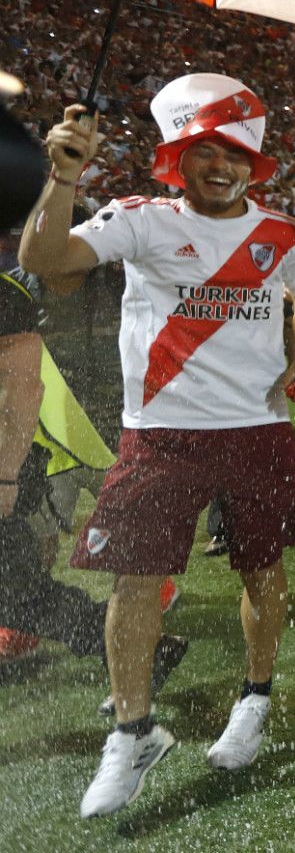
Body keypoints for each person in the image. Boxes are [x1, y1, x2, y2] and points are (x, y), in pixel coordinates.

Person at [21, 77, 295, 816]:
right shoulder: (140, 220)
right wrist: (62, 175)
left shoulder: (284, 233)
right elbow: (49, 262)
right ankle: (132, 732)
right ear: (176, 159)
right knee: (133, 582)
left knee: (262, 569)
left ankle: (254, 696)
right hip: (159, 432)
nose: (222, 166)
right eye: (205, 152)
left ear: (255, 164)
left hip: (259, 429)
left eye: (237, 153)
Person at [1, 267, 188, 702]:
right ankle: (137, 647)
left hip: (98, 429)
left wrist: (7, 470)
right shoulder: (23, 285)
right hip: (61, 439)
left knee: (26, 589)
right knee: (25, 582)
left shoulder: (24, 293)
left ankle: (137, 642)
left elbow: (25, 376)